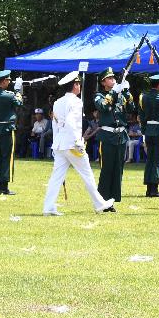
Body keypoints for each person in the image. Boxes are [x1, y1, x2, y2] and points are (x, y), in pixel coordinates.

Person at [42, 71, 115, 215]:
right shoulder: (75, 101)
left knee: (56, 177)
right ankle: (99, 204)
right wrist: (78, 141)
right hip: (72, 143)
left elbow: (55, 124)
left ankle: (48, 207)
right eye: (78, 84)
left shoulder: (58, 102)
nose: (80, 86)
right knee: (87, 174)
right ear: (74, 86)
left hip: (60, 143)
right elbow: (71, 123)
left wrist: (56, 143)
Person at [94, 67, 134, 210]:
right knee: (107, 169)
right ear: (103, 82)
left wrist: (127, 92)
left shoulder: (121, 94)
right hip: (107, 136)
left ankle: (112, 201)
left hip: (120, 136)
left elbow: (132, 109)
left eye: (113, 78)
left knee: (118, 170)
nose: (113, 80)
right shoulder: (99, 95)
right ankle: (103, 201)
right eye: (109, 78)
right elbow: (103, 106)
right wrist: (114, 92)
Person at [139, 74, 159, 197]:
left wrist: (144, 130)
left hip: (149, 129)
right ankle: (154, 189)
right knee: (158, 160)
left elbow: (141, 115)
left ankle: (149, 188)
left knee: (150, 159)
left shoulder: (143, 97)